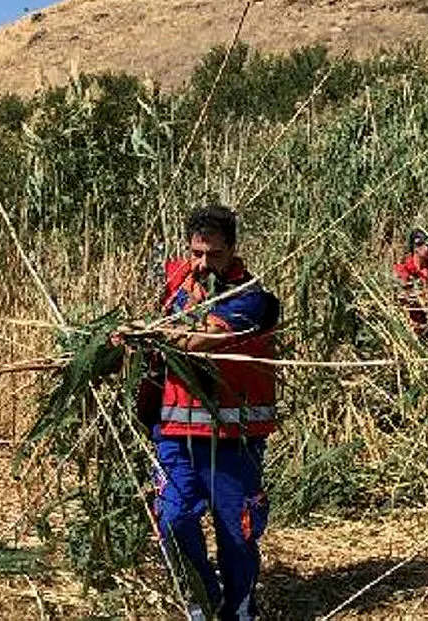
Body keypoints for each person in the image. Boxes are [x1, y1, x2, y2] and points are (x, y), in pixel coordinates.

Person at [136, 205, 279, 621]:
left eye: (212, 255)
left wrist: (155, 333)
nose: (201, 264)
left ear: (232, 250)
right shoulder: (175, 287)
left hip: (233, 441)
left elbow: (200, 340)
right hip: (174, 432)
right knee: (173, 519)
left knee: (237, 533)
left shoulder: (252, 300)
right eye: (195, 253)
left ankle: (239, 611)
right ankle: (202, 600)